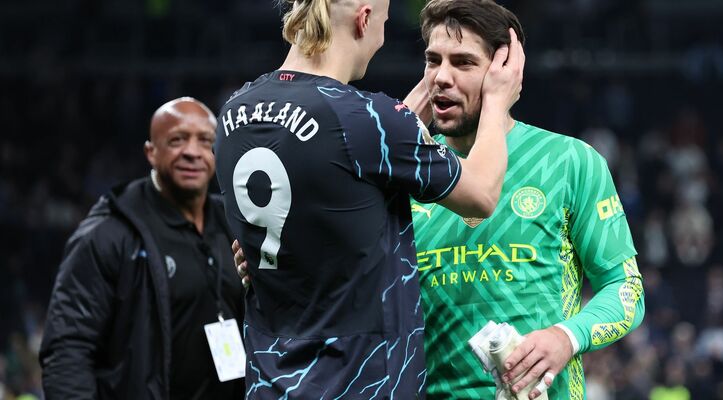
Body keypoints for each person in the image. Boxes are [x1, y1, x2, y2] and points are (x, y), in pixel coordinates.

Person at [213, 0, 523, 397]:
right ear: (364, 19)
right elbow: (480, 193)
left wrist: (437, 78)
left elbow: (359, 154)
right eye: (384, 23)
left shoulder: (234, 112)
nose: (381, 38)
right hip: (358, 382)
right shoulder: (364, 117)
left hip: (269, 381)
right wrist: (496, 99)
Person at [411, 1, 645, 399]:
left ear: (505, 71)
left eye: (464, 63)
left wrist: (565, 337)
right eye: (434, 61)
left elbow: (626, 290)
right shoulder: (407, 171)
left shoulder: (569, 162)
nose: (442, 78)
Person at [39, 97, 245, 399]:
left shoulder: (234, 225)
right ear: (151, 152)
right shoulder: (110, 234)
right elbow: (68, 349)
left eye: (205, 141)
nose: (192, 152)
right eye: (177, 140)